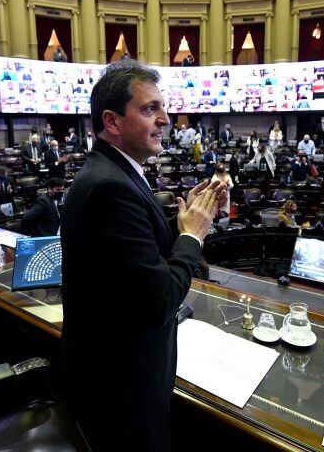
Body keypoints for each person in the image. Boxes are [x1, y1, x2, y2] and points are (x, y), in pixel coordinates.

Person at [61, 61, 224, 451]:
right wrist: (193, 235)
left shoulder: (115, 172)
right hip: (122, 393)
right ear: (113, 122)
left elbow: (134, 245)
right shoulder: (109, 187)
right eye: (150, 109)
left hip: (121, 380)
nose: (166, 119)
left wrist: (185, 219)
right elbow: (158, 301)